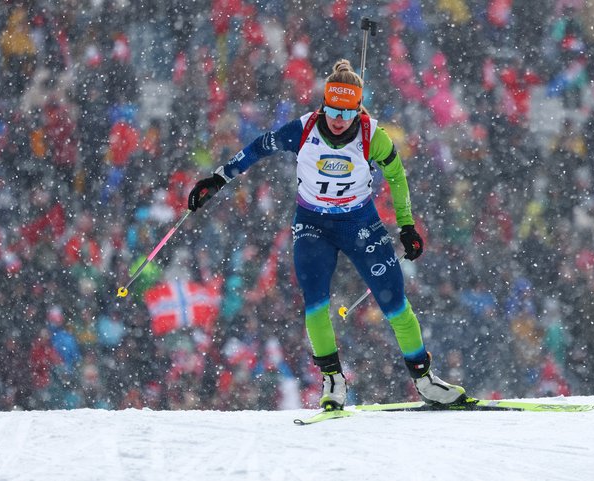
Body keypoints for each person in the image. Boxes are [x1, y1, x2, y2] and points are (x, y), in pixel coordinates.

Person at [188, 59, 466, 410]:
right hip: (313, 224)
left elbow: (396, 176)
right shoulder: (304, 129)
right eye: (332, 110)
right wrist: (218, 178)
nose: (337, 120)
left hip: (358, 222)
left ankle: (425, 381)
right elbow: (260, 147)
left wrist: (407, 225)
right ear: (323, 105)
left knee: (394, 301)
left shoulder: (371, 135)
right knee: (316, 300)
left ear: (357, 111)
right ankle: (333, 380)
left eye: (346, 114)